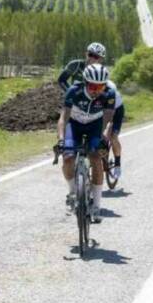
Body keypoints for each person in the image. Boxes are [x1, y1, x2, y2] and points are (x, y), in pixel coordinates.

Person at [56, 63, 115, 224]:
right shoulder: (73, 91)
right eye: (92, 86)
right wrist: (61, 139)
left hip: (95, 126)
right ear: (85, 82)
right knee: (68, 157)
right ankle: (72, 193)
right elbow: (63, 118)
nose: (96, 90)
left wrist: (103, 138)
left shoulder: (108, 94)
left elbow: (108, 119)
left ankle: (96, 206)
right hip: (74, 125)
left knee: (96, 158)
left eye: (100, 86)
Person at [58, 42, 124, 182]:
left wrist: (104, 131)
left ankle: (116, 163)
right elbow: (61, 80)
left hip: (113, 109)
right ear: (86, 54)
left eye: (97, 57)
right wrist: (74, 96)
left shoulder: (103, 77)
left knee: (111, 137)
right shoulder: (75, 66)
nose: (93, 58)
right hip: (82, 106)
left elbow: (108, 111)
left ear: (102, 59)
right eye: (91, 55)